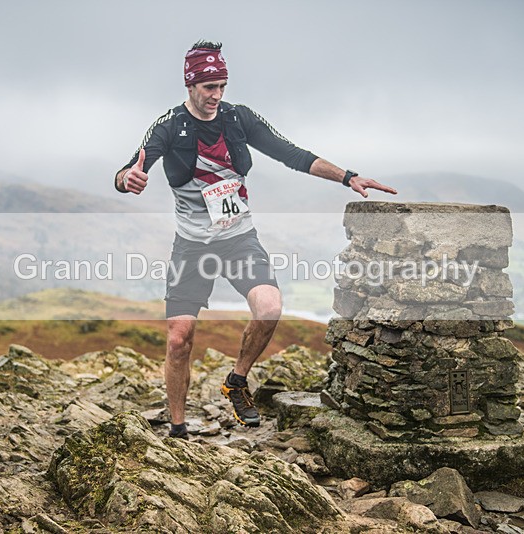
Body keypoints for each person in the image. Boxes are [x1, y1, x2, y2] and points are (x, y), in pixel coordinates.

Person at [115, 40, 397, 439]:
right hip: (192, 247)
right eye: (209, 87)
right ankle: (177, 428)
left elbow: (292, 154)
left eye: (222, 86)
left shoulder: (238, 118)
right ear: (190, 85)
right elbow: (128, 170)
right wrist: (127, 180)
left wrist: (348, 177)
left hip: (238, 239)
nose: (217, 95)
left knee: (269, 307)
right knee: (179, 339)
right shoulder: (167, 126)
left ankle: (236, 381)